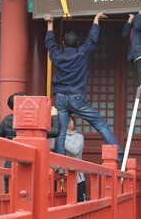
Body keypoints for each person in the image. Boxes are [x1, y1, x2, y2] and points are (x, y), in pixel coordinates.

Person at [44, 12, 123, 160]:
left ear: (63, 43)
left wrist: (50, 23)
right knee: (99, 123)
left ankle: (61, 165)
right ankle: (117, 151)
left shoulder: (57, 55)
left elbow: (50, 43)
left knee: (61, 133)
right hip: (76, 96)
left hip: (60, 97)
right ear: (78, 44)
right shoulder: (81, 53)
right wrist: (96, 19)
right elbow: (92, 39)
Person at [0, 92, 61, 193]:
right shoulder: (34, 119)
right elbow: (55, 132)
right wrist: (54, 116)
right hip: (31, 163)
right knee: (32, 195)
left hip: (11, 162)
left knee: (11, 196)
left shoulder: (7, 120)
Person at [63, 115, 86, 202]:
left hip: (77, 175)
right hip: (61, 175)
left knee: (80, 202)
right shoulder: (57, 136)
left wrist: (61, 138)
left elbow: (75, 149)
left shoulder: (79, 136)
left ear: (74, 125)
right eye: (66, 120)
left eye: (71, 120)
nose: (69, 121)